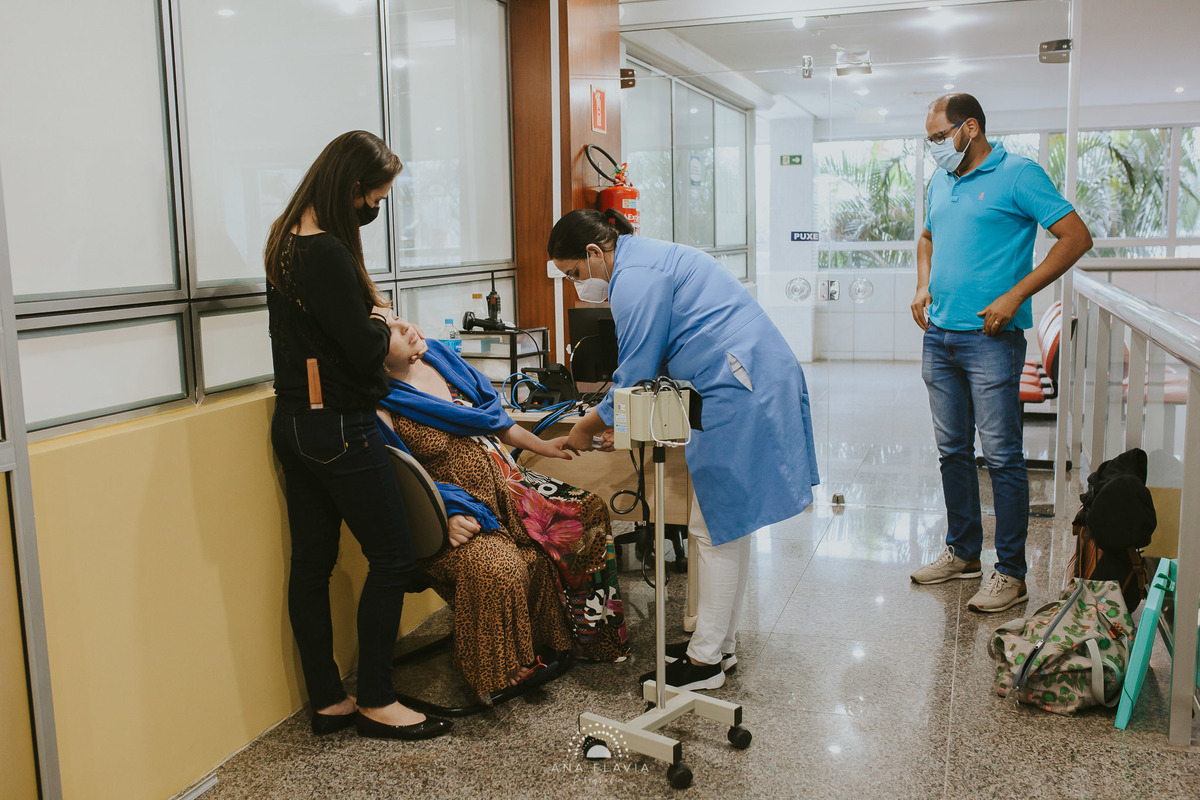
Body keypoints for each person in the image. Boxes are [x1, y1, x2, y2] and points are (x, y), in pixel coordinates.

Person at [547, 209, 819, 691]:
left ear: (593, 252)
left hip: (738, 381)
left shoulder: (632, 277)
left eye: (573, 273)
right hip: (748, 372)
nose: (576, 285)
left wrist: (585, 428)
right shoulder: (645, 259)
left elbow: (636, 369)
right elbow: (655, 364)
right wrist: (620, 422)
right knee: (725, 524)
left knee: (713, 526)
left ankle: (704, 661)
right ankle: (718, 646)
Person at [264, 130, 450, 741]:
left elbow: (326, 328)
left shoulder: (283, 239)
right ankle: (376, 698)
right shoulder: (327, 252)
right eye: (374, 198)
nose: (375, 209)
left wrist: (374, 318)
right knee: (394, 556)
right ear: (351, 188)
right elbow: (363, 347)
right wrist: (391, 336)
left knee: (311, 565)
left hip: (294, 421)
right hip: (340, 425)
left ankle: (328, 699)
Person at [374, 323, 630, 700]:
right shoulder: (382, 403)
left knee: (587, 510)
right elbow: (398, 477)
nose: (408, 327)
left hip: (509, 485)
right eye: (394, 330)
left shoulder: (443, 360)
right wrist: (444, 510)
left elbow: (498, 423)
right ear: (376, 354)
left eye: (400, 318)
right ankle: (497, 668)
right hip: (464, 506)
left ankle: (595, 641)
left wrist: (544, 446)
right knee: (503, 563)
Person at [908, 93, 1092, 612]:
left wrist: (1016, 295)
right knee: (952, 451)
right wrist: (922, 284)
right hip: (939, 336)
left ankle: (1011, 573)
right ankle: (964, 553)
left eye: (939, 137)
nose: (934, 147)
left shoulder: (1018, 174)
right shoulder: (940, 181)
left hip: (991, 341)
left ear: (970, 128)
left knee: (1003, 457)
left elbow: (1075, 237)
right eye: (929, 139)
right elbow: (927, 237)